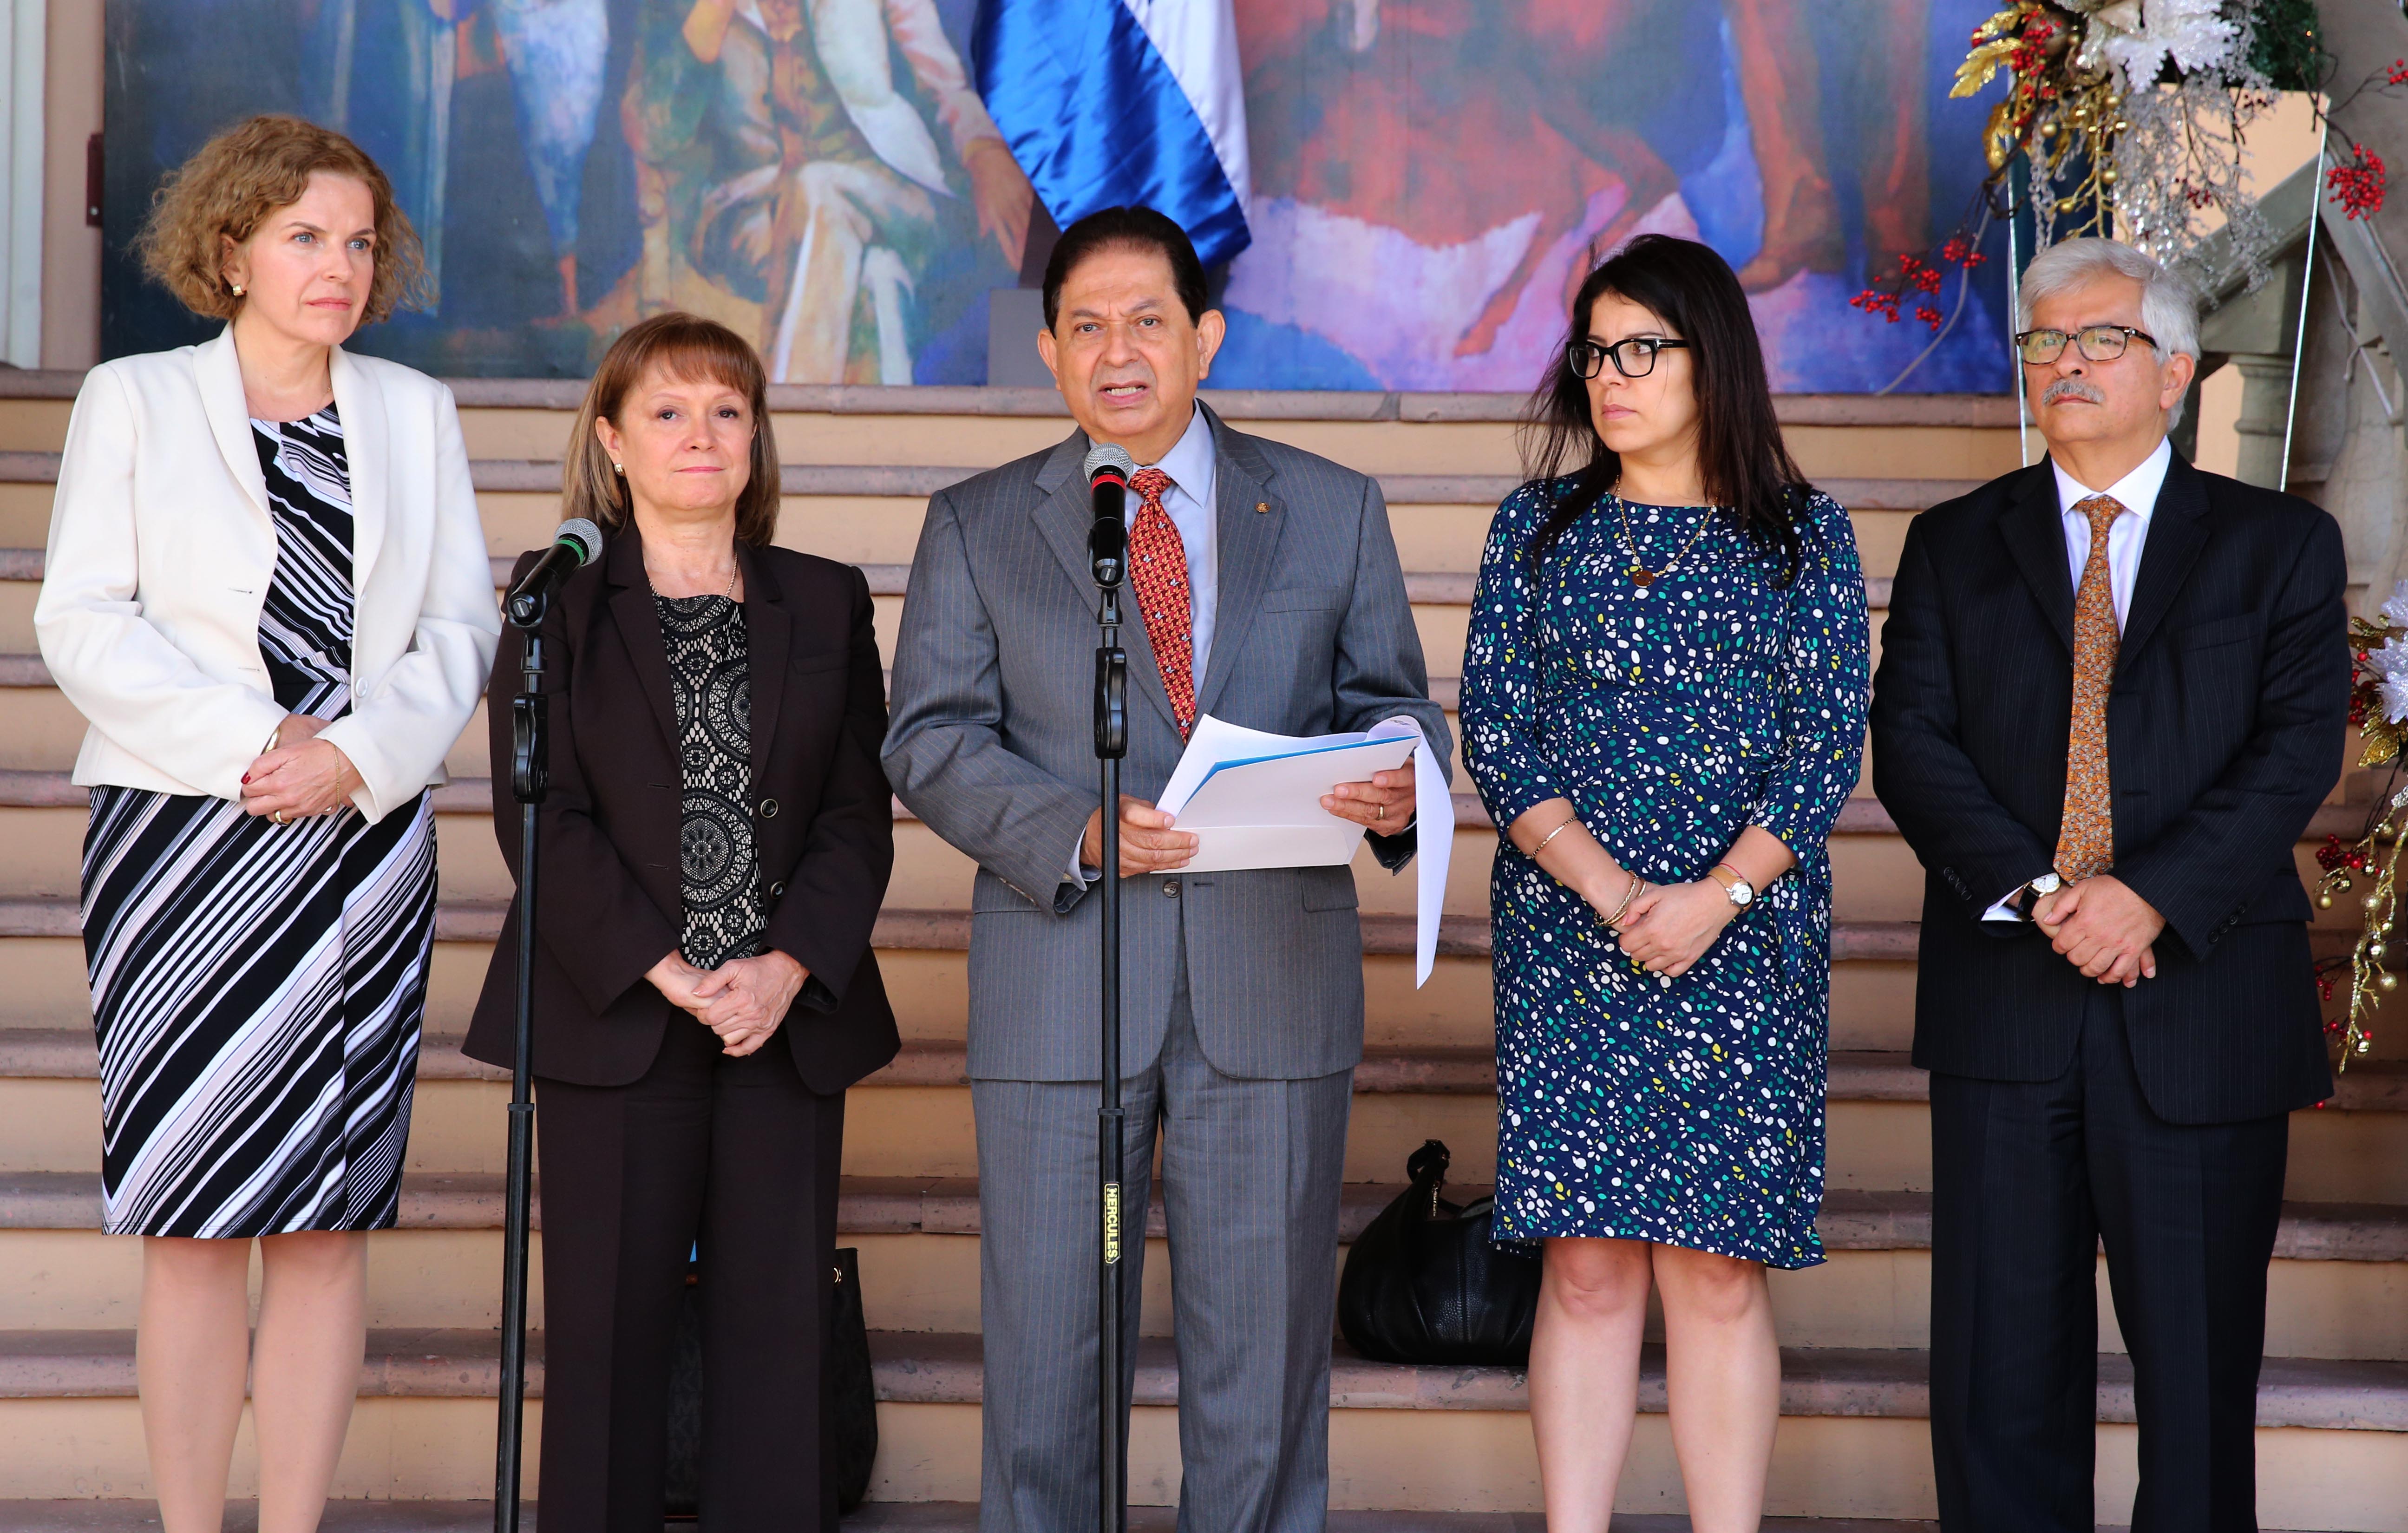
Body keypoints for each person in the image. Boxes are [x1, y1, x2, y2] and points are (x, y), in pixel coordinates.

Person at [881, 205, 1449, 1532]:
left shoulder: (1329, 506)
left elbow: (1400, 704)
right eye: (1086, 327)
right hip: (1062, 990)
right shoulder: (977, 523)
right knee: (1047, 1374)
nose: (1118, 351)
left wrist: (1395, 776)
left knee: (1262, 1376)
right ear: (1049, 353)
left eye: (1148, 321)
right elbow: (929, 737)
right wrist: (1076, 828)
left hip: (1271, 987)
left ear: (1207, 337)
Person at [33, 115, 498, 1533]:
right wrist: (260, 742)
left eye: (358, 241)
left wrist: (352, 756)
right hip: (182, 846)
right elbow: (81, 619)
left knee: (321, 1224)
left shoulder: (414, 412)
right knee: (188, 1224)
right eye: (305, 236)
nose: (338, 264)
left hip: (361, 846)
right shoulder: (134, 397)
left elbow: (459, 628)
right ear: (231, 248)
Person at [1870, 237, 2349, 1531]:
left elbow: (2297, 749)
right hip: (2006, 1001)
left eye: (2101, 339)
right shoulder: (1953, 544)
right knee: (1998, 1378)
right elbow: (1913, 744)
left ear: (2177, 372)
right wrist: (2041, 893)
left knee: (2197, 1380)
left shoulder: (2278, 546)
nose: (2066, 363)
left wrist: (2148, 896)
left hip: (2201, 1000)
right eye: (2045, 342)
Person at [1460, 233, 1870, 1531]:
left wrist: (1715, 898)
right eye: (1594, 352)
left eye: (1642, 349)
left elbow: (1825, 744)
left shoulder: (1802, 535)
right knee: (1584, 1270)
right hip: (1571, 935)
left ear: (1714, 360)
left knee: (1715, 1272)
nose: (1610, 376)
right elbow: (1499, 732)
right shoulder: (1536, 529)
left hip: (1743, 941)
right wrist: (1612, 892)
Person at [461, 311, 896, 1531]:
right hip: (617, 1014)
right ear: (612, 440)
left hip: (782, 1023)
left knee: (778, 1348)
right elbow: (541, 817)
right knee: (604, 1345)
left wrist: (786, 965)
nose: (700, 435)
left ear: (756, 438)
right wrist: (669, 968)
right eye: (667, 411)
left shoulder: (826, 599)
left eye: (725, 410)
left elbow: (857, 813)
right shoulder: (556, 601)